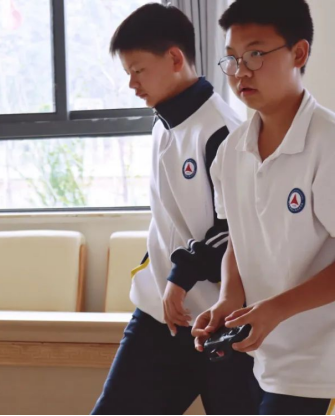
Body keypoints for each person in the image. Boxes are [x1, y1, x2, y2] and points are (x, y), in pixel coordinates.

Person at [92, 3, 260, 415]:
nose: (131, 83)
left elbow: (236, 230)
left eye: (138, 70)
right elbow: (169, 219)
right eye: (127, 72)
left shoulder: (223, 131)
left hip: (222, 321)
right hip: (160, 313)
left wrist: (181, 275)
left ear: (174, 58)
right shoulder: (162, 124)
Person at [193, 1, 335, 414]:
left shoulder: (327, 143)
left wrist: (277, 309)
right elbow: (240, 238)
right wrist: (228, 298)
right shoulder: (230, 152)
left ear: (299, 53)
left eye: (255, 54)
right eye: (232, 58)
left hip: (321, 364)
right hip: (264, 358)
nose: (241, 72)